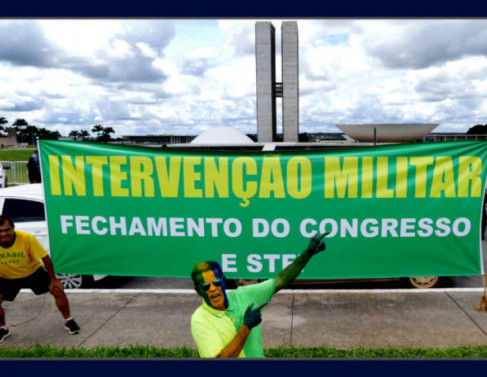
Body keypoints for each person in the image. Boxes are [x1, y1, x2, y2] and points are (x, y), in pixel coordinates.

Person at [190, 233, 328, 358]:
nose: (213, 289)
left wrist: (308, 253)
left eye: (216, 282)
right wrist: (246, 326)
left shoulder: (245, 295)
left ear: (224, 281)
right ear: (198, 291)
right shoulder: (199, 320)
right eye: (206, 286)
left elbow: (281, 280)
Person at [0, 215, 80, 343]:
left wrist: (54, 279)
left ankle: (68, 320)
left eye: (7, 230)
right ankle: (3, 328)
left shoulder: (26, 238)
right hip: (7, 277)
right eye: (0, 231)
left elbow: (45, 258)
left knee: (58, 289)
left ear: (13, 228)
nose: (4, 234)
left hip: (33, 272)